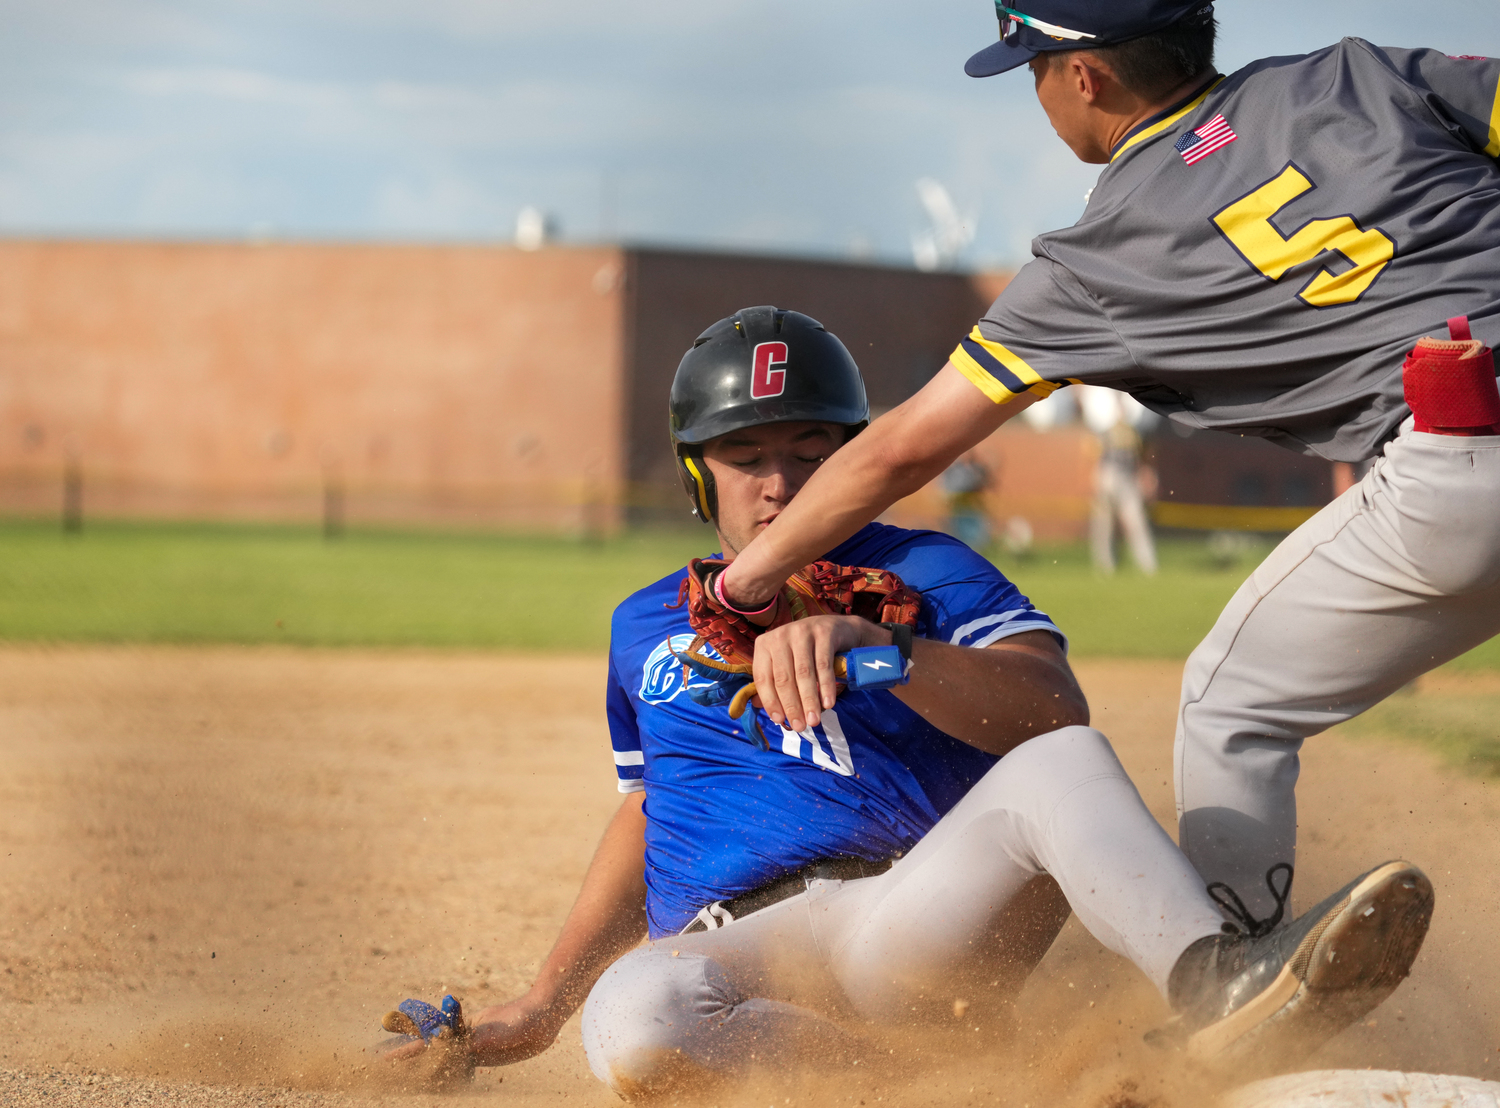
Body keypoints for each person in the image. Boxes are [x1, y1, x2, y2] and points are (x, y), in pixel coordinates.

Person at [381, 307, 1432, 1098]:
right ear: (701, 474)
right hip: (730, 949)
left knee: (1057, 767)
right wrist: (536, 1004)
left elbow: (1052, 711)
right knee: (635, 1019)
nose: (781, 483)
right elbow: (648, 808)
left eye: (812, 454)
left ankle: (1218, 985)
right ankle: (936, 1089)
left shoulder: (925, 567)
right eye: (747, 458)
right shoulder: (644, 622)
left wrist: (882, 649)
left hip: (915, 917)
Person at [713, 1, 1500, 923]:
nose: (1040, 95)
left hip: (1465, 463)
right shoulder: (1355, 72)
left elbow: (901, 447)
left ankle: (1236, 974)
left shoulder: (1100, 258)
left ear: (1085, 75)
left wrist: (746, 583)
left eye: (1035, 70)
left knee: (1230, 705)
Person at [1078, 385, 1157, 576]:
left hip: (1127, 476)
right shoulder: (1104, 429)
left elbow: (1140, 456)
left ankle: (1147, 565)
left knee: (1135, 520)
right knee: (1104, 523)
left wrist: (1145, 475)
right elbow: (1095, 455)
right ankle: (1106, 565)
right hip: (1109, 474)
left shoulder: (1133, 430)